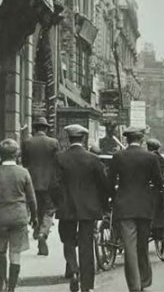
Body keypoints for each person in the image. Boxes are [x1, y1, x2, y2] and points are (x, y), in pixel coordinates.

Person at [53, 124, 111, 292]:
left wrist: (59, 202)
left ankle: (73, 271)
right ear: (83, 138)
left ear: (68, 139)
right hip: (88, 209)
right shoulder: (93, 159)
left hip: (66, 208)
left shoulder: (59, 158)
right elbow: (103, 185)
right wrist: (102, 205)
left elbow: (53, 185)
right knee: (86, 246)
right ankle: (87, 285)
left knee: (68, 241)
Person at [108, 127, 162, 292]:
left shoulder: (118, 157)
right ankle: (144, 280)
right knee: (142, 245)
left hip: (124, 207)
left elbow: (109, 182)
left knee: (129, 248)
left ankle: (134, 285)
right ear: (142, 140)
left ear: (126, 140)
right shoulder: (151, 157)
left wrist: (114, 196)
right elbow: (158, 183)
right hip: (145, 206)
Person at [0, 139, 37, 292]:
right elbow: (32, 198)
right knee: (15, 253)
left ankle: (2, 283)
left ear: (0, 155)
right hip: (19, 216)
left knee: (0, 250)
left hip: (1, 217)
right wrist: (34, 217)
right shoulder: (24, 172)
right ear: (17, 154)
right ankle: (12, 288)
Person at [20, 116, 58, 256]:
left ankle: (36, 229)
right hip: (48, 183)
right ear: (46, 129)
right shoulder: (53, 143)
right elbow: (56, 163)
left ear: (35, 129)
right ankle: (43, 232)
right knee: (48, 210)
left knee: (35, 208)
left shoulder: (27, 142)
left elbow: (24, 162)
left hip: (31, 182)